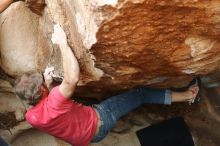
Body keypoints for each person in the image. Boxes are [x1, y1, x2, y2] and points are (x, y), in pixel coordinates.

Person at [14, 24, 200, 146]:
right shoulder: (54, 99)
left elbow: (48, 107)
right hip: (101, 118)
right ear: (41, 91)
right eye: (41, 82)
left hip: (90, 138)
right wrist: (62, 43)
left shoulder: (31, 117)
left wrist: (47, 83)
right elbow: (72, 78)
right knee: (141, 93)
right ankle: (188, 95)